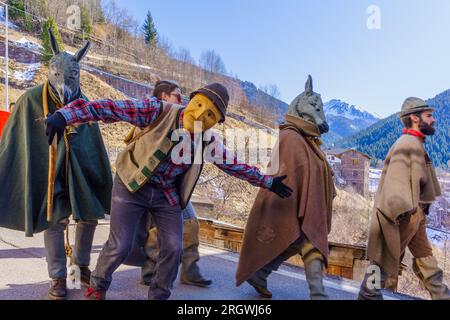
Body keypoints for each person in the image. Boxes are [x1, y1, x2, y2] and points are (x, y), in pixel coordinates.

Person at [45, 82, 293, 300]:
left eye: (210, 115)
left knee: (174, 248)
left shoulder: (208, 141)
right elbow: (109, 108)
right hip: (132, 184)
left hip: (166, 195)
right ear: (191, 100)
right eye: (199, 105)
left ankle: (159, 295)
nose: (200, 116)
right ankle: (98, 286)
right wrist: (65, 116)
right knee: (120, 244)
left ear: (215, 122)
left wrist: (268, 182)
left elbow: (234, 165)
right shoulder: (157, 110)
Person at [0, 29, 113, 300]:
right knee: (55, 220)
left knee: (88, 215)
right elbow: (15, 142)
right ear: (50, 72)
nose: (63, 83)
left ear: (78, 76)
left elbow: (92, 145)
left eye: (70, 77)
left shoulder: (87, 105)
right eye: (58, 75)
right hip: (48, 173)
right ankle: (58, 278)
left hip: (80, 173)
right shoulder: (30, 100)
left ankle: (82, 266)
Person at [236, 75, 336, 300]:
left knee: (299, 240)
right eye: (315, 107)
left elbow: (312, 169)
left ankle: (261, 273)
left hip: (301, 202)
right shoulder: (291, 137)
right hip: (289, 200)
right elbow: (291, 170)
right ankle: (318, 294)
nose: (320, 115)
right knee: (308, 242)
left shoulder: (305, 139)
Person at [358, 97, 450, 300]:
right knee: (377, 271)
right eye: (429, 115)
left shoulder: (414, 143)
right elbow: (395, 186)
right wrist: (405, 211)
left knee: (426, 261)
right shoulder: (407, 144)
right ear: (415, 118)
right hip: (400, 220)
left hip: (414, 220)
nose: (433, 119)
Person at [130, 80, 212, 287]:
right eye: (177, 94)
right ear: (164, 96)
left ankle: (190, 270)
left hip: (172, 184)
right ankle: (150, 271)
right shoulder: (152, 113)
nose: (181, 99)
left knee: (191, 222)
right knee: (154, 229)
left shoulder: (182, 118)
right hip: (147, 183)